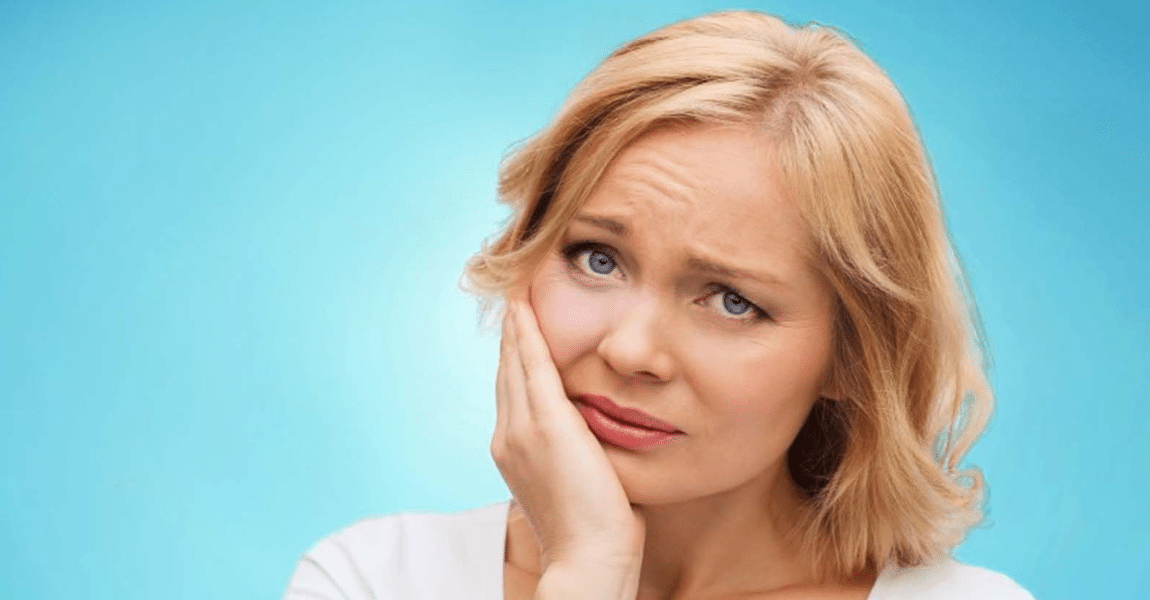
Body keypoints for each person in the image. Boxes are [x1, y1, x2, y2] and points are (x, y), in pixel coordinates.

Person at [283, 10, 1034, 600]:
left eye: (732, 301)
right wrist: (587, 572)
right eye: (597, 259)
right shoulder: (374, 580)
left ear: (852, 357)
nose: (630, 350)